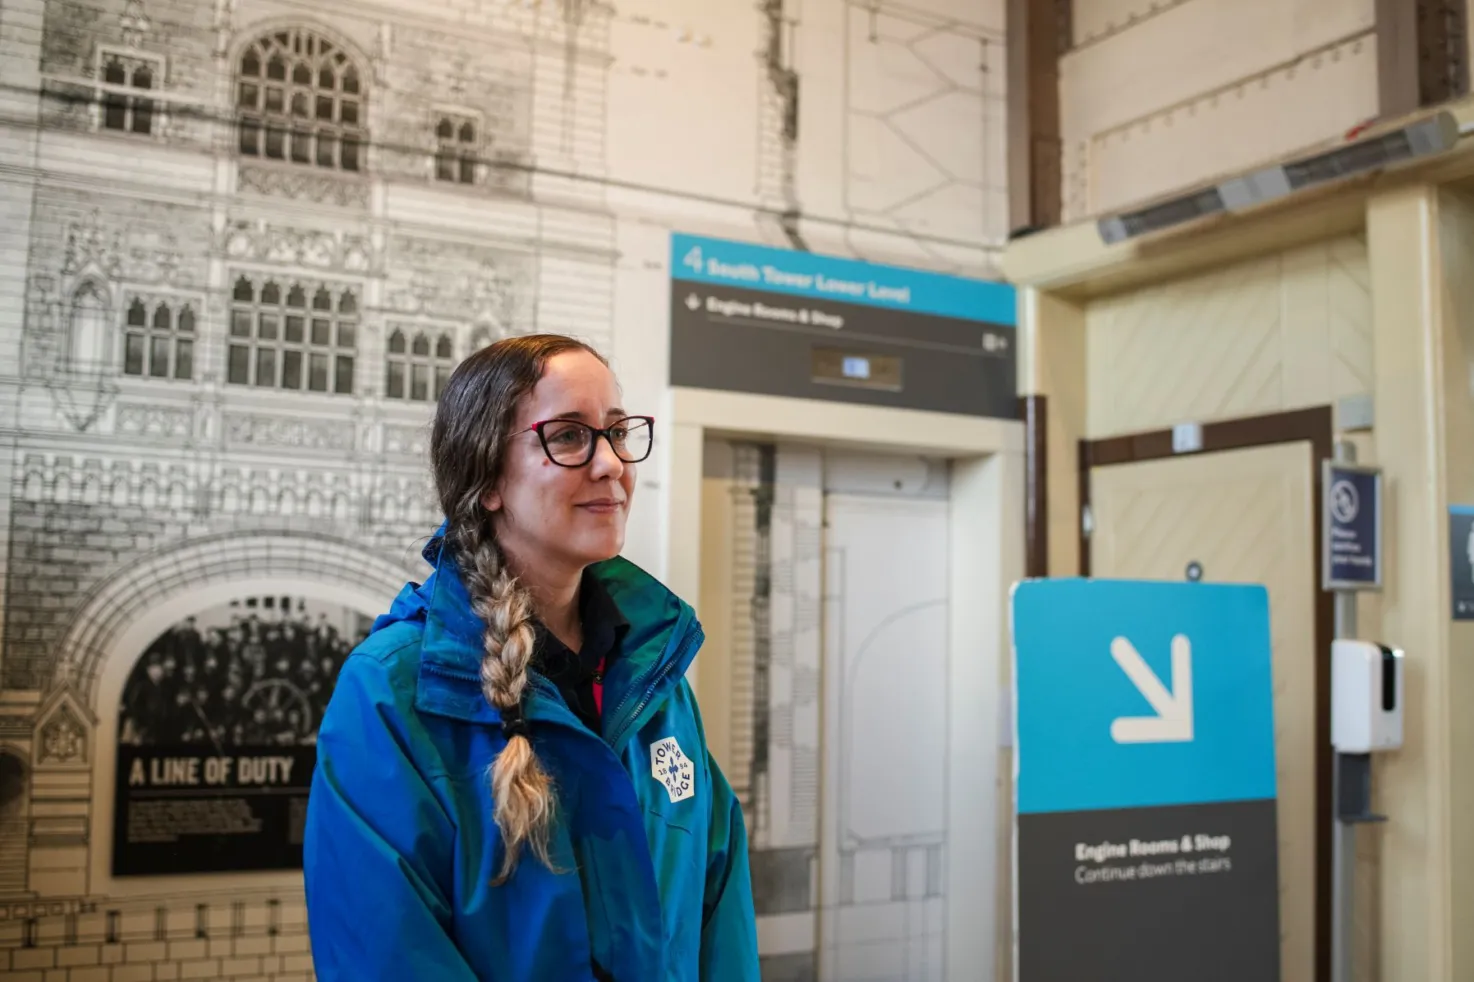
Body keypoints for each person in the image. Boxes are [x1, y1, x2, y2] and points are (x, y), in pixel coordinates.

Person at [303, 334, 759, 981]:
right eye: (569, 436)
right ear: (486, 479)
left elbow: (721, 920)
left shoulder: (653, 679)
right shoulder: (393, 691)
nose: (611, 464)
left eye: (618, 432)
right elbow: (388, 954)